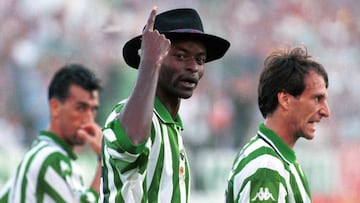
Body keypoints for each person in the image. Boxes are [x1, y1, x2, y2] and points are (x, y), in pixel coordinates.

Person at [100, 6, 230, 202]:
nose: (193, 67)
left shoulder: (172, 128)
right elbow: (133, 141)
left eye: (200, 59)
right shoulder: (128, 116)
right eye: (180, 56)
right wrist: (149, 62)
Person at [225, 46, 330, 203]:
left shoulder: (276, 158)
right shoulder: (266, 166)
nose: (326, 111)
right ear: (285, 99)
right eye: (317, 99)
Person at [0, 64, 103, 203]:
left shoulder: (42, 155)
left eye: (93, 110)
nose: (88, 119)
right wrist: (104, 159)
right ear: (55, 107)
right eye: (80, 108)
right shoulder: (49, 159)